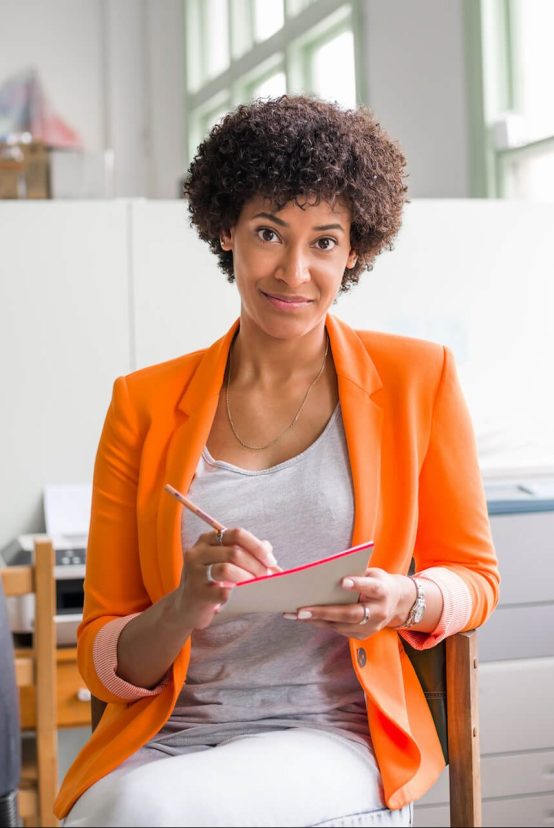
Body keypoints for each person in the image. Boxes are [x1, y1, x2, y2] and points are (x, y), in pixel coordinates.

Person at [56, 95, 499, 827]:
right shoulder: (141, 403)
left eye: (324, 242)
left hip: (331, 735)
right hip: (168, 739)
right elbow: (106, 651)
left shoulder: (419, 380)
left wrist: (404, 599)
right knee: (114, 808)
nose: (294, 271)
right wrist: (185, 603)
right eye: (269, 233)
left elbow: (475, 580)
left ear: (355, 249)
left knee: (141, 815)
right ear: (226, 230)